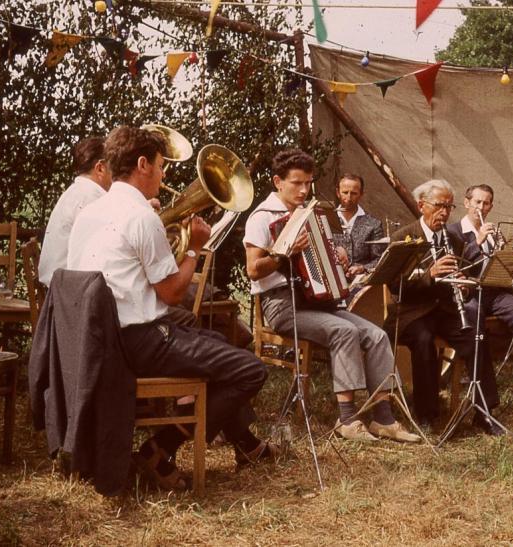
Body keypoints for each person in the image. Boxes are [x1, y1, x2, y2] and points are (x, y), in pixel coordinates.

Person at [68, 126, 271, 490]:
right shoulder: (141, 217)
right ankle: (160, 449)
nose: (164, 176)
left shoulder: (91, 212)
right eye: (162, 166)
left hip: (100, 338)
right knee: (250, 370)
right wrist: (193, 246)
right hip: (139, 340)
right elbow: (174, 293)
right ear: (142, 164)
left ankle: (244, 442)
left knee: (214, 342)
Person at [244, 149, 419, 443]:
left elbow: (320, 258)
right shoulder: (262, 217)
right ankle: (347, 418)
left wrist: (335, 257)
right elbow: (253, 270)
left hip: (317, 301)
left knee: (376, 335)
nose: (304, 190)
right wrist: (285, 254)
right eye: (297, 183)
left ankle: (383, 418)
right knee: (344, 331)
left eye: (308, 183)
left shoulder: (312, 214)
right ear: (277, 182)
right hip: (282, 304)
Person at [385, 179, 503, 435]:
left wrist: (463, 285)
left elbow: (467, 275)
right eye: (439, 206)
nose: (445, 213)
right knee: (424, 339)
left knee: (477, 335)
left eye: (449, 207)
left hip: (444, 310)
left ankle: (484, 411)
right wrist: (430, 273)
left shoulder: (452, 237)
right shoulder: (404, 237)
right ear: (421, 205)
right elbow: (395, 285)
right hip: (411, 313)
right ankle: (426, 413)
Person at [453, 184, 513, 386]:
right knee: (473, 315)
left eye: (486, 203)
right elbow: (458, 267)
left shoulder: (494, 233)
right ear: (467, 203)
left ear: (491, 207)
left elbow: (502, 264)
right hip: (468, 293)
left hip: (494, 291)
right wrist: (478, 241)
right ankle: (473, 373)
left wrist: (510, 264)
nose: (481, 208)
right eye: (477, 202)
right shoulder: (454, 232)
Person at [38, 137, 112, 287]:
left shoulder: (79, 192)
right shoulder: (89, 197)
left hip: (64, 286)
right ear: (100, 168)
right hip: (68, 293)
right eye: (115, 167)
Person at [334, 173, 386, 282]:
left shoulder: (373, 224)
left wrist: (363, 268)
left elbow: (380, 259)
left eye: (353, 193)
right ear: (338, 193)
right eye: (345, 192)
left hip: (360, 285)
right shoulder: (325, 219)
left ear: (361, 194)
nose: (348, 197)